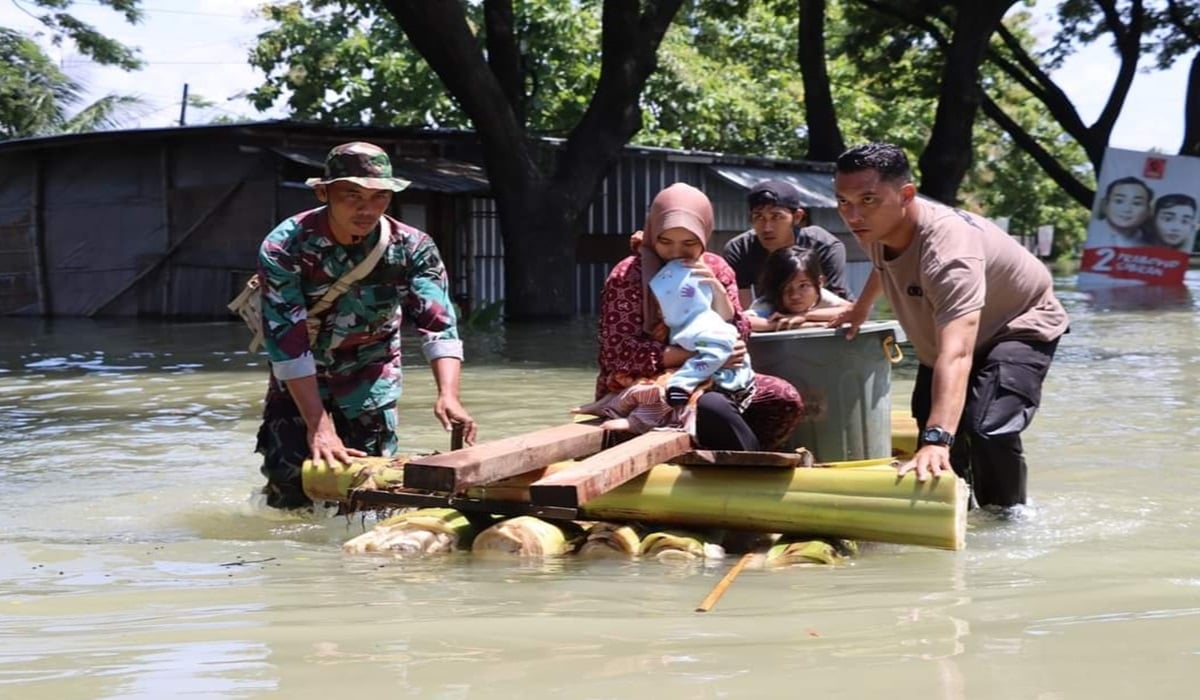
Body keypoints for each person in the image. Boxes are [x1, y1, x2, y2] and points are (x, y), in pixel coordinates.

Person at [830, 143, 1069, 510]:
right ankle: (961, 511)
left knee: (985, 429)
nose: (853, 214)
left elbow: (957, 353)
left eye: (867, 199)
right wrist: (860, 309)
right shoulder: (878, 229)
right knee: (933, 431)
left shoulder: (949, 252)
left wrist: (938, 439)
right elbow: (883, 269)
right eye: (843, 202)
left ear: (906, 195)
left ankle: (1008, 518)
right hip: (942, 338)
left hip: (1017, 324)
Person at [254, 141, 476, 510]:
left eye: (379, 197)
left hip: (371, 371)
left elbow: (439, 325)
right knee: (289, 482)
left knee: (370, 486)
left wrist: (448, 394)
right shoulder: (286, 246)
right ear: (324, 192)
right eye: (353, 195)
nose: (367, 209)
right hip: (300, 376)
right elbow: (286, 342)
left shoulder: (413, 247)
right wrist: (318, 424)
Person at [595, 182, 805, 452]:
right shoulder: (627, 276)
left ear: (704, 236)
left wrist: (717, 292)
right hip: (643, 380)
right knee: (711, 407)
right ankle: (749, 465)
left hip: (716, 369)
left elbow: (739, 329)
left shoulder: (715, 267)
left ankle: (736, 458)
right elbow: (616, 354)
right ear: (652, 233)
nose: (676, 253)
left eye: (689, 243)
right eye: (665, 242)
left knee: (783, 398)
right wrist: (697, 354)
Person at [575, 257, 756, 434]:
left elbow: (716, 355)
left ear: (684, 304)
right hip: (692, 369)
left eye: (664, 304)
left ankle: (639, 421)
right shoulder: (682, 323)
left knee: (662, 391)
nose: (659, 310)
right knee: (642, 382)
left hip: (720, 379)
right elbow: (620, 352)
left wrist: (682, 383)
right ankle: (609, 405)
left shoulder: (705, 326)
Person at [722, 179, 851, 309]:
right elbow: (741, 310)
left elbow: (841, 308)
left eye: (776, 217)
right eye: (759, 217)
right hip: (768, 318)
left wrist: (802, 320)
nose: (767, 228)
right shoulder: (740, 249)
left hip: (823, 317)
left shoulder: (823, 245)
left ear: (797, 217)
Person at [747, 245, 851, 332]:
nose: (795, 295)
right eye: (785, 287)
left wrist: (805, 316)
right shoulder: (769, 302)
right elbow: (745, 321)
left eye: (803, 286)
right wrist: (785, 325)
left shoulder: (820, 295)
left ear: (819, 283)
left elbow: (852, 311)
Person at [1085, 176, 1154, 249]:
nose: (1127, 209)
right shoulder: (1091, 232)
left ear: (1148, 210)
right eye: (1119, 201)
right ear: (1105, 205)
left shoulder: (1154, 242)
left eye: (1136, 203)